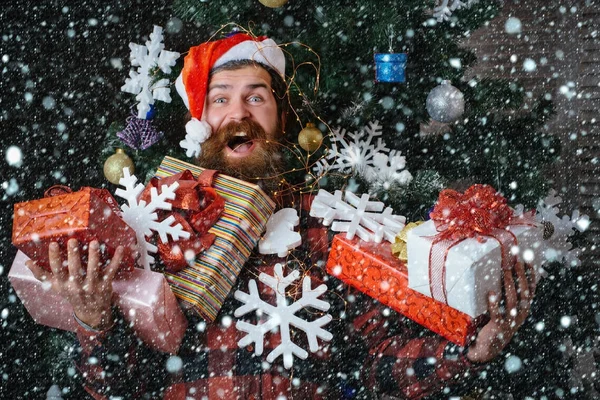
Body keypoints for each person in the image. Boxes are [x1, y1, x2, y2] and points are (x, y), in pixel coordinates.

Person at [25, 33, 537, 399]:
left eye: (257, 97)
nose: (239, 113)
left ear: (281, 119)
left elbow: (380, 361)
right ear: (200, 123)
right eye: (220, 99)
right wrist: (95, 322)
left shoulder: (324, 228)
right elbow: (117, 388)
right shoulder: (153, 225)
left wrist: (466, 355)